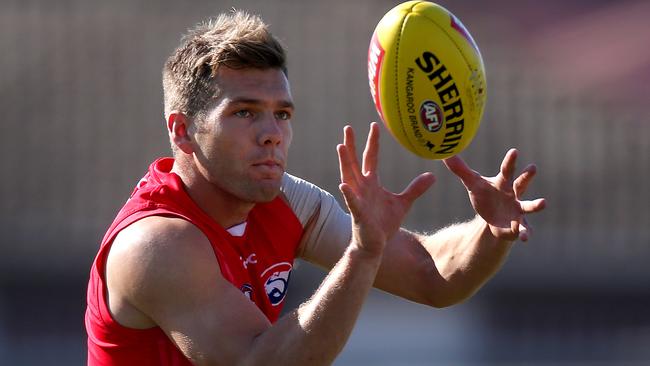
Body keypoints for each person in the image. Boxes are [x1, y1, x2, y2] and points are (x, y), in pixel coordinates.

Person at [85, 9, 546, 366]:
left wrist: (488, 231)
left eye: (281, 114)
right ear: (182, 132)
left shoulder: (284, 199)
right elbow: (259, 361)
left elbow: (431, 276)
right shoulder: (156, 244)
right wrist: (363, 254)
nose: (271, 133)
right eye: (244, 112)